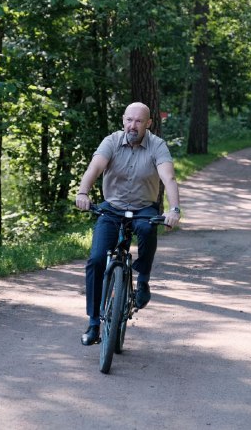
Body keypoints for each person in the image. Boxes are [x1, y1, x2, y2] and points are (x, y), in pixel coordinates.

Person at [74, 102, 181, 346]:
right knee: (97, 259)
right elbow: (95, 167)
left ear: (148, 123)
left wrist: (173, 209)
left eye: (139, 121)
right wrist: (83, 192)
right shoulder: (111, 141)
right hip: (112, 208)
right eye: (129, 120)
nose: (133, 125)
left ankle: (142, 279)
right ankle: (93, 323)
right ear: (123, 120)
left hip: (143, 207)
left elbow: (169, 177)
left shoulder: (157, 145)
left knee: (146, 229)